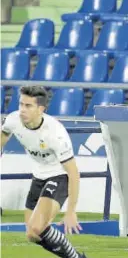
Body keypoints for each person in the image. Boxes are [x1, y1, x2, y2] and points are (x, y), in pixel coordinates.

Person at [1, 86, 87, 258]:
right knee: (33, 235)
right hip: (38, 176)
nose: (22, 110)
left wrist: (71, 211)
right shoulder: (13, 120)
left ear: (41, 109)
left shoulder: (55, 133)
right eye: (21, 104)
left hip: (59, 176)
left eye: (28, 106)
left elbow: (73, 173)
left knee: (36, 227)